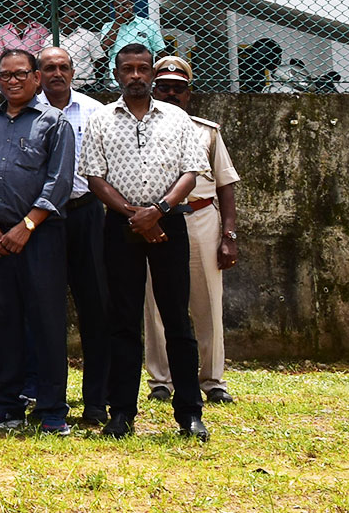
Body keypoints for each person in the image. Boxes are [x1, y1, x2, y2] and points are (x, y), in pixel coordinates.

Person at [77, 43, 211, 441]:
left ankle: (189, 413)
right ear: (116, 74)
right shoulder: (101, 119)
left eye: (142, 68)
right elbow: (94, 177)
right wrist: (135, 216)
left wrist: (158, 210)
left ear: (152, 73)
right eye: (128, 69)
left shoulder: (177, 118)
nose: (136, 75)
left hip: (169, 226)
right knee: (122, 321)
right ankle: (121, 414)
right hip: (119, 229)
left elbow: (192, 170)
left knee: (177, 321)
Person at [0, 49, 77, 436]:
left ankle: (52, 411)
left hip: (39, 237)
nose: (13, 81)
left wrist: (27, 225)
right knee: (2, 322)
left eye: (21, 74)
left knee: (46, 324)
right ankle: (8, 407)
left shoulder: (55, 123)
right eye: (5, 75)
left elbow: (59, 182)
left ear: (36, 78)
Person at [145, 56, 242, 405]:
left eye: (178, 89)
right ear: (154, 89)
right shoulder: (142, 127)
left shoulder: (207, 131)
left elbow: (225, 185)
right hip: (157, 222)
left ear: (189, 93)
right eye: (164, 87)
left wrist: (228, 236)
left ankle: (212, 379)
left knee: (207, 301)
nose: (171, 94)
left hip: (201, 218)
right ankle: (161, 379)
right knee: (155, 301)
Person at [35, 45, 111, 425]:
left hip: (85, 215)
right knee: (45, 312)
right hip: (43, 221)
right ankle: (48, 399)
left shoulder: (95, 111)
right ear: (38, 73)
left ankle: (97, 400)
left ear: (73, 70)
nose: (57, 74)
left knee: (95, 308)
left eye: (63, 67)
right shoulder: (28, 113)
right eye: (49, 68)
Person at [100, 0, 166, 68]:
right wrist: (117, 22)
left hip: (143, 72)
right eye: (117, 6)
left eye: (124, 5)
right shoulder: (108, 27)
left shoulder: (148, 25)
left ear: (132, 4)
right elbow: (103, 48)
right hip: (117, 73)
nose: (121, 9)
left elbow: (161, 52)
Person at [0, 0, 50, 68]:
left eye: (24, 7)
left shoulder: (41, 30)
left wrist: (30, 62)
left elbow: (47, 52)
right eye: (16, 7)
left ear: (30, 8)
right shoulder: (2, 32)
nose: (20, 10)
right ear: (11, 9)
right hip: (11, 68)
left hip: (34, 68)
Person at [56, 5, 104, 90]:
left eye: (76, 16)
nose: (76, 19)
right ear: (61, 19)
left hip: (86, 86)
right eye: (71, 17)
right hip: (60, 86)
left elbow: (100, 59)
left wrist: (98, 81)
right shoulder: (52, 39)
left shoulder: (87, 36)